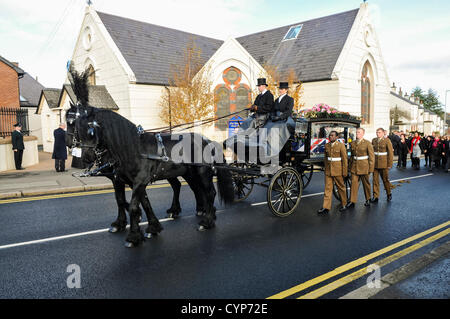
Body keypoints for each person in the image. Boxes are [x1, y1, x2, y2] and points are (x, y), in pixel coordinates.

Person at [317, 131, 348, 214]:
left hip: (338, 171)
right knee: (327, 189)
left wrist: (345, 172)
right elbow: (326, 159)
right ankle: (326, 207)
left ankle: (344, 204)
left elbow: (344, 160)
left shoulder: (341, 145)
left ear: (337, 137)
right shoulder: (327, 145)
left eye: (332, 135)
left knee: (341, 188)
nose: (330, 137)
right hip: (329, 171)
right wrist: (326, 169)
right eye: (330, 135)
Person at [346, 127, 375, 208]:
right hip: (354, 166)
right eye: (357, 132)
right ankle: (352, 201)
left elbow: (371, 157)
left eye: (359, 132)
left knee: (366, 184)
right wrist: (349, 167)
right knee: (353, 184)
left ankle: (368, 199)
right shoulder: (353, 143)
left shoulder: (367, 143)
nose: (357, 134)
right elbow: (352, 156)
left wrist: (371, 169)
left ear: (363, 134)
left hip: (364, 166)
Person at [371, 128, 394, 203]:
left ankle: (388, 194)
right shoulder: (374, 140)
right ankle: (375, 196)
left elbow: (390, 153)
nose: (378, 134)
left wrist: (390, 164)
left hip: (384, 163)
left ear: (383, 133)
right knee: (375, 181)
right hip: (375, 163)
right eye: (377, 132)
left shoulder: (387, 141)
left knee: (385, 180)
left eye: (379, 132)